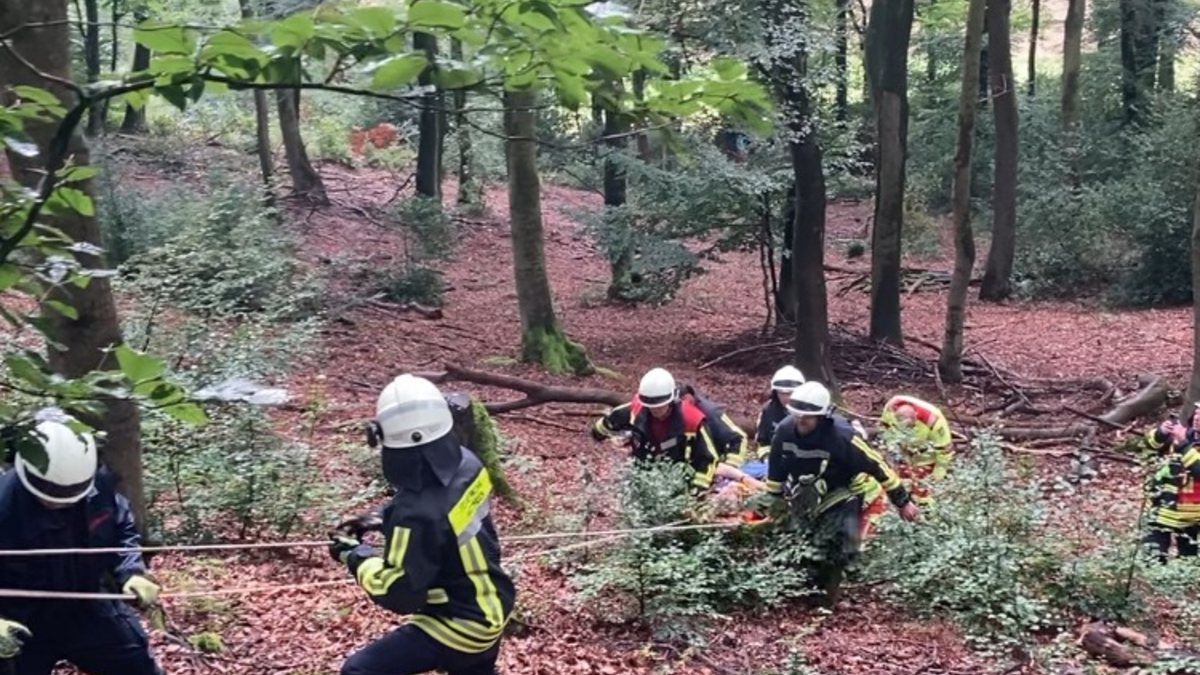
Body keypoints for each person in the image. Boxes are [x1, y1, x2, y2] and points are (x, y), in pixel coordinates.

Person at [331, 374, 516, 675]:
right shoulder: (469, 464)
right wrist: (381, 518)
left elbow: (400, 592)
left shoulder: (414, 514)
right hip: (495, 603)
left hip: (458, 624)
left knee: (357, 671)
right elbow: (444, 517)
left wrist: (354, 556)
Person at [0, 420, 163, 675]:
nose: (58, 500)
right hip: (20, 621)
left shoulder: (99, 486)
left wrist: (131, 571)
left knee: (138, 668)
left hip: (90, 609)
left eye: (68, 492)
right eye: (49, 491)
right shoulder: (4, 503)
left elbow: (122, 529)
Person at [760, 381, 919, 604]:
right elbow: (776, 469)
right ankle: (805, 589)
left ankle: (829, 595)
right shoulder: (784, 432)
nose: (800, 421)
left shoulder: (843, 437)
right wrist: (774, 503)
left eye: (807, 417)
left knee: (839, 543)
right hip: (803, 493)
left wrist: (903, 501)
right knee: (802, 541)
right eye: (797, 415)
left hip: (843, 492)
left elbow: (878, 466)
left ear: (822, 417)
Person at [592, 367, 730, 493]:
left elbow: (707, 458)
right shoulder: (637, 410)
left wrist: (696, 491)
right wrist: (598, 433)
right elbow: (612, 420)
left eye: (660, 406)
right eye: (650, 406)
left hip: (679, 477)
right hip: (643, 472)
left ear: (672, 399)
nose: (655, 410)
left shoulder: (691, 421)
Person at [857, 395, 955, 542]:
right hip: (903, 454)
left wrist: (938, 475)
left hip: (926, 457)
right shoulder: (890, 409)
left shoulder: (934, 420)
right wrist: (893, 452)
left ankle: (927, 524)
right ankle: (902, 522)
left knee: (923, 493)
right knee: (900, 486)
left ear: (916, 416)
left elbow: (945, 450)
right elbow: (886, 430)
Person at [1141, 406, 1200, 562]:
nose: (1197, 418)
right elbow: (1144, 450)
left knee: (1188, 562)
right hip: (1160, 508)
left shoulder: (1182, 441)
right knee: (1152, 557)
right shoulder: (1181, 434)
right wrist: (1160, 434)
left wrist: (1184, 446)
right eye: (1197, 413)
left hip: (1192, 517)